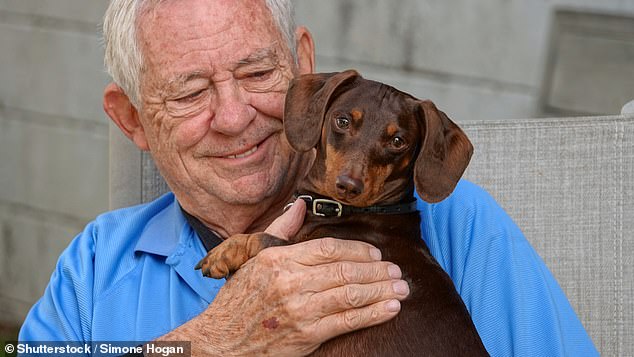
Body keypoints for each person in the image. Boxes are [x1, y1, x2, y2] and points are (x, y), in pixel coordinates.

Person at [19, 0, 598, 355]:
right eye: (191, 92)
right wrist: (209, 346)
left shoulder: (456, 226)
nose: (235, 116)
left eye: (257, 71)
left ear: (302, 66)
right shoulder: (95, 269)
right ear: (132, 119)